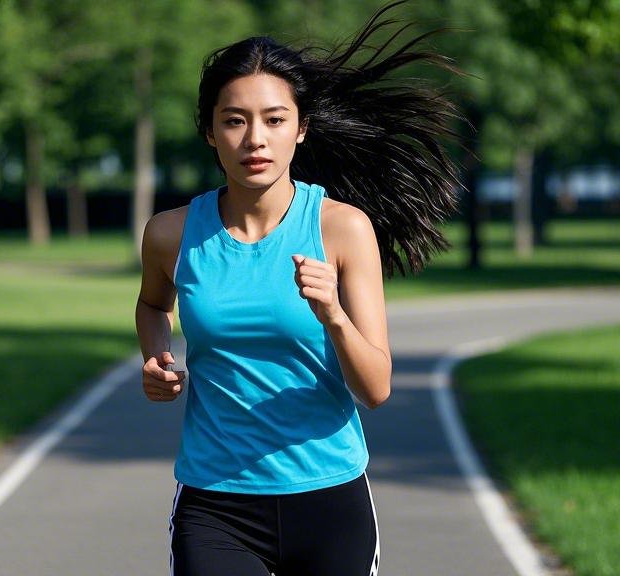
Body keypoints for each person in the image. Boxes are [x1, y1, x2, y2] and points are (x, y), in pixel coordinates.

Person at [135, 2, 466, 574]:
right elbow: (150, 304)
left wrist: (334, 315)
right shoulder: (172, 234)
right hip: (217, 502)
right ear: (209, 132)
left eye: (274, 119)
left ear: (302, 128)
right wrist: (155, 355)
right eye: (235, 120)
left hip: (328, 498)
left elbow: (377, 387)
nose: (254, 139)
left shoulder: (342, 228)